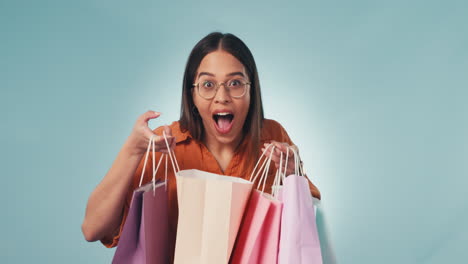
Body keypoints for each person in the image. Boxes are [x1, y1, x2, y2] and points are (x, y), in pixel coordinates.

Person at [81, 32, 321, 262]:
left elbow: (307, 232)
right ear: (192, 95)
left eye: (235, 83)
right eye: (208, 84)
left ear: (251, 90)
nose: (222, 96)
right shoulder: (164, 145)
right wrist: (132, 150)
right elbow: (93, 229)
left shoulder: (272, 137)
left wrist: (293, 174)